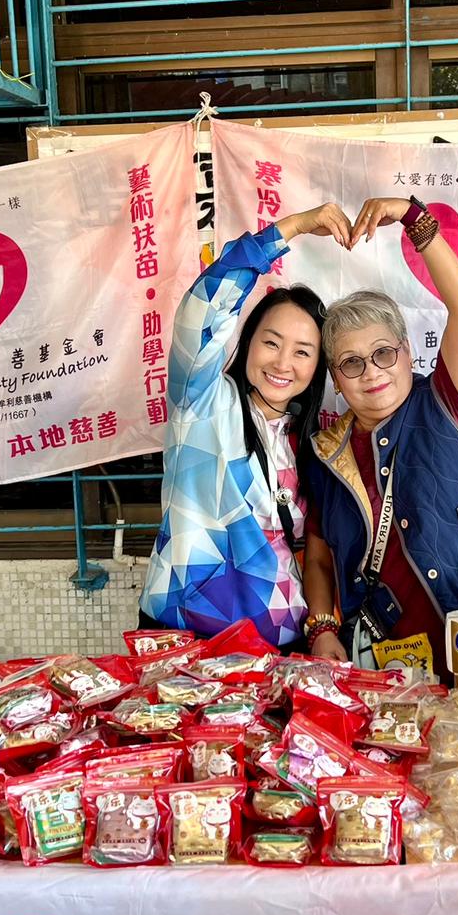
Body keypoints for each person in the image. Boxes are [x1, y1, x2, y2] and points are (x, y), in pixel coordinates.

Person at [300, 196, 458, 675]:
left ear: (407, 351)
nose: (372, 372)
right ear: (335, 377)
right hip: (388, 670)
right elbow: (317, 559)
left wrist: (413, 219)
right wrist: (322, 628)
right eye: (352, 363)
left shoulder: (447, 402)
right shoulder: (326, 452)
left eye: (383, 353)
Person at [139, 204, 348, 647]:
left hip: (281, 644)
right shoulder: (203, 403)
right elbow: (201, 313)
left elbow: (317, 553)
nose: (283, 363)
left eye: (302, 351)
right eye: (271, 342)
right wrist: (293, 227)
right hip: (186, 636)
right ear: (247, 341)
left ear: (318, 366)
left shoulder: (313, 442)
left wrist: (321, 627)